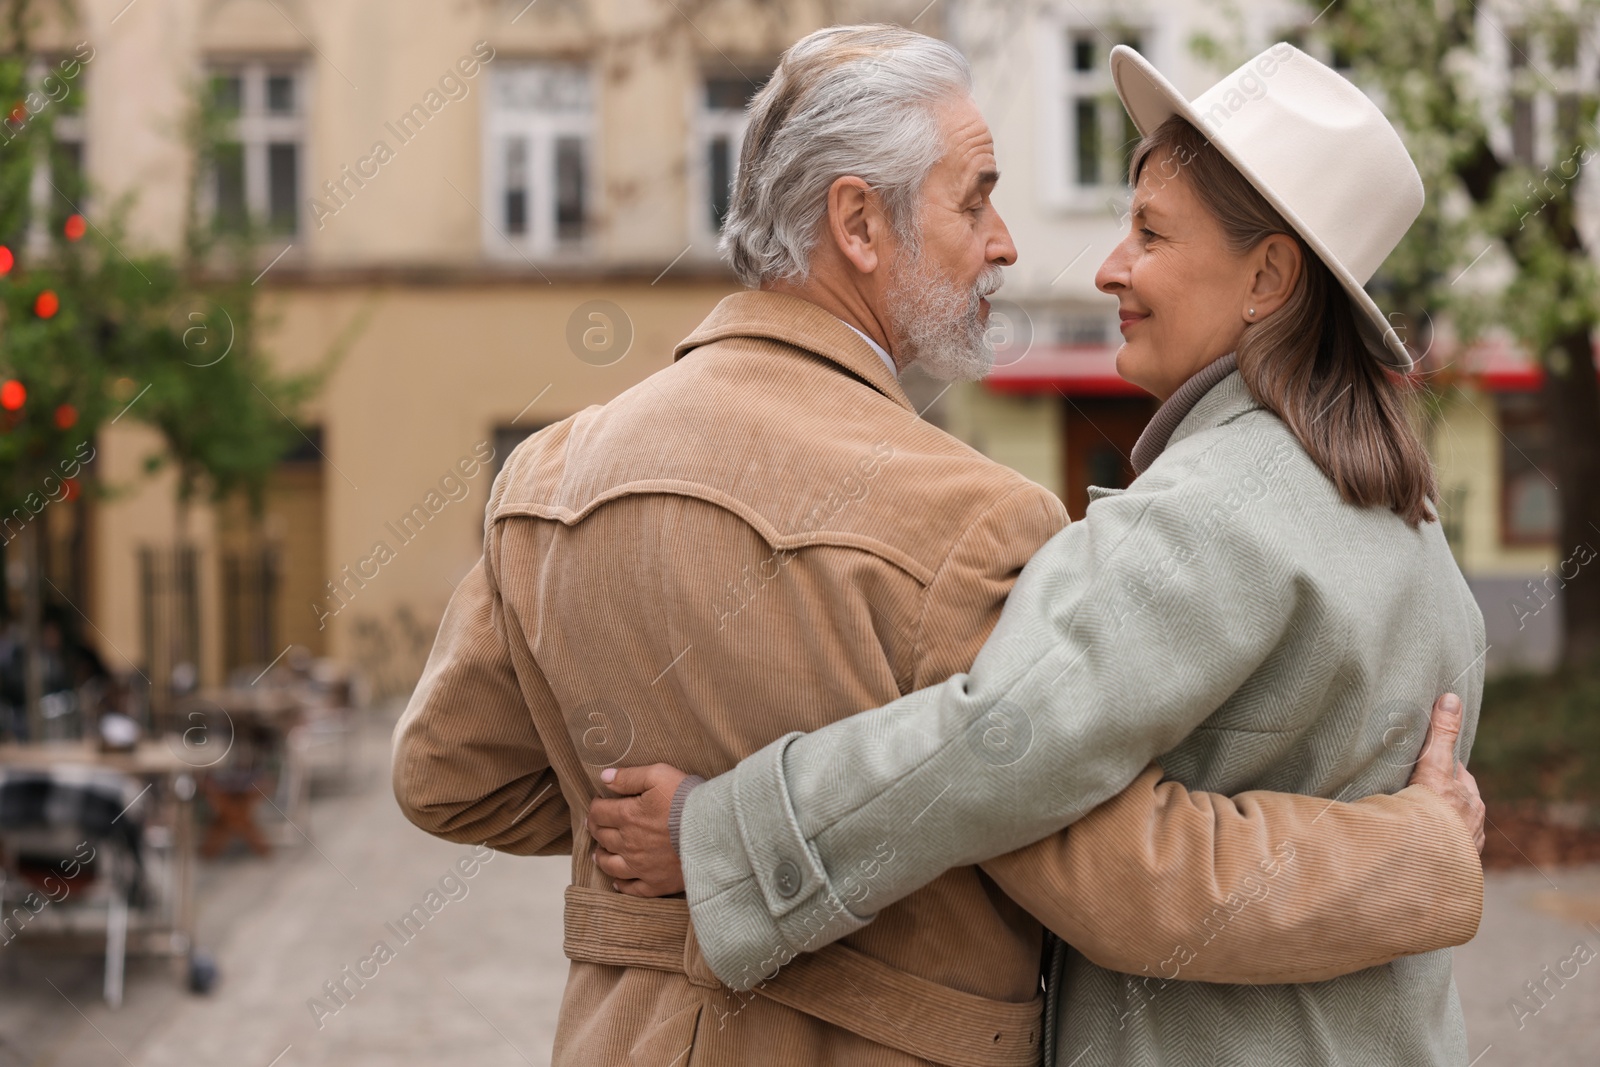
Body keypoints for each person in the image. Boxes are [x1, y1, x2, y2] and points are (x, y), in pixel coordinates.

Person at [395, 28, 1485, 1067]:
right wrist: (1419, 854)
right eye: (976, 199)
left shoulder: (543, 477)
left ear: (1268, 281)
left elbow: (447, 777)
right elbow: (1090, 858)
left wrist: (644, 824)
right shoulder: (987, 518)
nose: (1020, 246)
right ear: (859, 226)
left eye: (1147, 232)